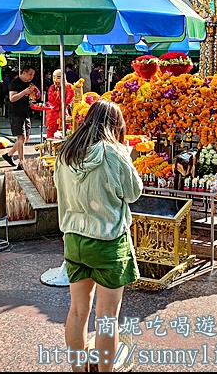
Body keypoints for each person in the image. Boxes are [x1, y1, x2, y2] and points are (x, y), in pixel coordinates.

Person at [53, 100, 142, 373]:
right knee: (106, 318)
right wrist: (127, 155)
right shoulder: (114, 153)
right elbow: (133, 193)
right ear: (116, 126)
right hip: (108, 243)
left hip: (74, 241)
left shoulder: (65, 153)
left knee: (78, 311)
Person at [3, 65, 40, 170]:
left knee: (26, 138)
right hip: (16, 113)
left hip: (25, 112)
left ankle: (8, 155)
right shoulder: (14, 83)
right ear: (24, 73)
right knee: (21, 137)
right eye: (30, 74)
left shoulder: (28, 83)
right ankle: (21, 162)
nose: (32, 77)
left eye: (33, 75)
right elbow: (12, 98)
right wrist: (24, 92)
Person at [46, 69, 75, 139]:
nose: (55, 80)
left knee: (67, 131)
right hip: (53, 114)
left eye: (58, 77)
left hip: (64, 112)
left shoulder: (69, 87)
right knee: (51, 133)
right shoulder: (52, 88)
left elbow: (69, 100)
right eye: (54, 77)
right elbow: (52, 101)